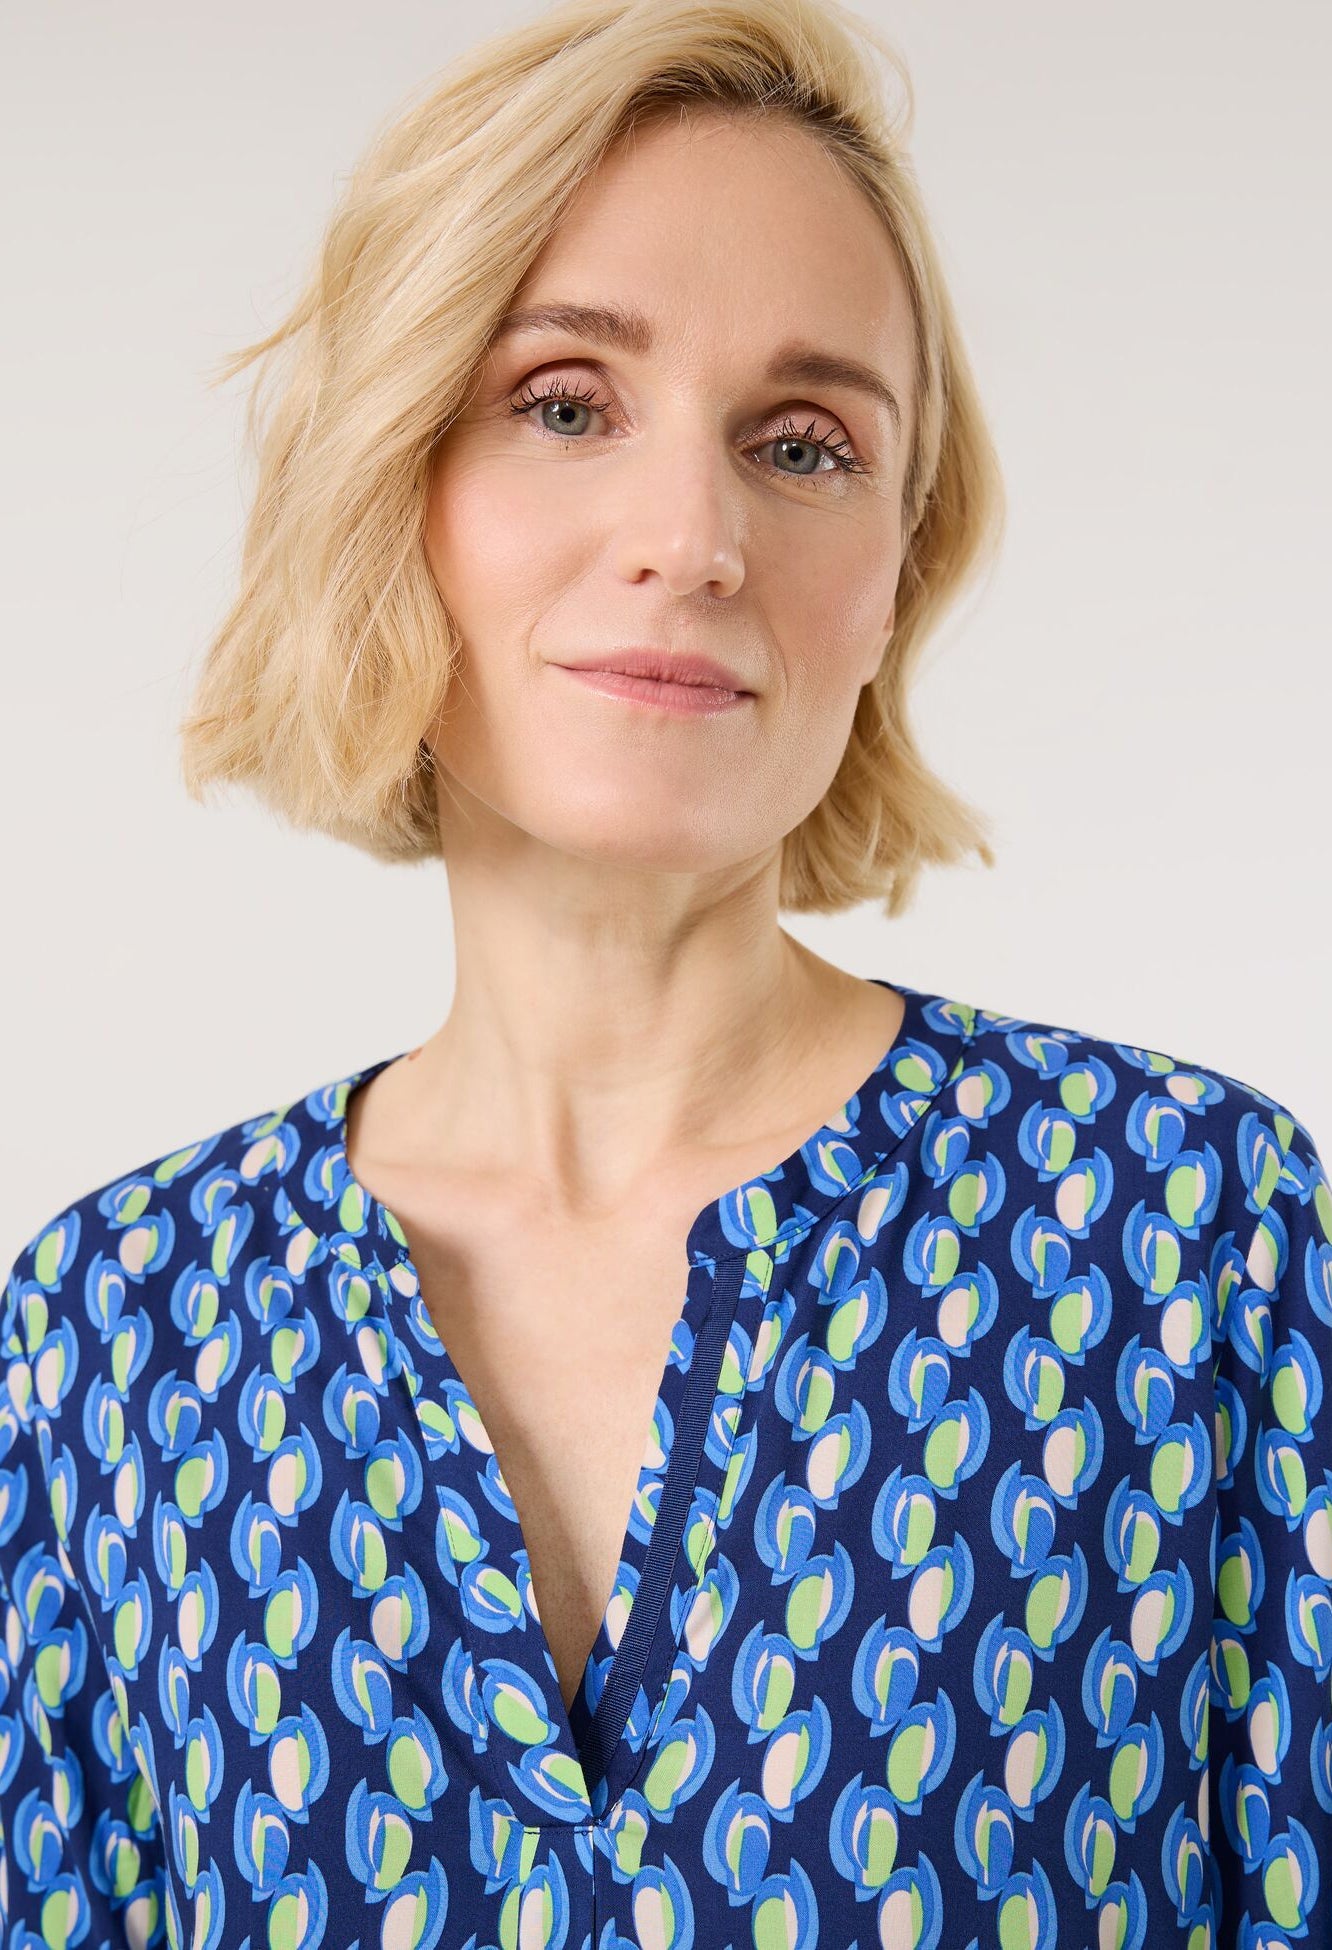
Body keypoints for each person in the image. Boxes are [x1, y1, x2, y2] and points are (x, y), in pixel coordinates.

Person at [3, 0, 1328, 1944]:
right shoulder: (117, 1335)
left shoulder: (1183, 1237)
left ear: (893, 573)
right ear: (391, 484)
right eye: (565, 403)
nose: (694, 538)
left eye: (803, 445)